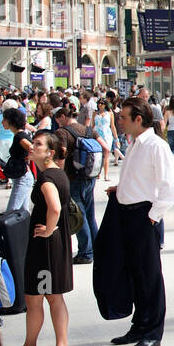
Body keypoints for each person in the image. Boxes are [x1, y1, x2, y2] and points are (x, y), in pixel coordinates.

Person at [106, 97, 174, 346]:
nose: (120, 121)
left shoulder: (156, 146)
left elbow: (169, 187)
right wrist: (121, 189)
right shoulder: (136, 144)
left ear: (139, 119)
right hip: (127, 213)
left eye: (124, 117)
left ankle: (153, 332)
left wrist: (152, 215)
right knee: (135, 273)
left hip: (143, 216)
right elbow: (139, 178)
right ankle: (139, 325)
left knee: (149, 276)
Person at [5, 132, 73, 346]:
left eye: (37, 144)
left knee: (51, 296)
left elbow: (54, 208)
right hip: (48, 245)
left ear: (50, 152)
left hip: (46, 246)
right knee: (35, 296)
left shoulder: (47, 179)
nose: (31, 147)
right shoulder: (55, 173)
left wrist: (48, 229)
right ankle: (30, 345)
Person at [53, 104, 100, 267]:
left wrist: (58, 177)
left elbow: (61, 156)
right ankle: (97, 248)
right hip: (90, 177)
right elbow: (106, 148)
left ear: (63, 117)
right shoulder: (88, 130)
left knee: (78, 215)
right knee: (89, 214)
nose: (58, 123)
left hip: (73, 179)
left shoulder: (62, 132)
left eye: (58, 120)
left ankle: (86, 253)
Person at [94, 99, 117, 180]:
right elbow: (92, 125)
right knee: (98, 154)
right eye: (98, 103)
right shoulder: (95, 113)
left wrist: (116, 139)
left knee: (106, 154)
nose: (100, 105)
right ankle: (98, 172)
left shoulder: (110, 113)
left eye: (102, 103)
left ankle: (106, 174)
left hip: (107, 135)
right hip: (97, 134)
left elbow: (113, 126)